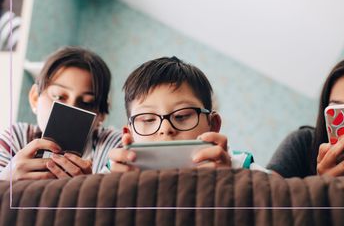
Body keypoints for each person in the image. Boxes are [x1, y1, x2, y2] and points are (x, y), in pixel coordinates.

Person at [108, 56, 265, 172]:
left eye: (182, 116)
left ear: (213, 125)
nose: (165, 128)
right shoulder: (114, 171)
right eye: (148, 119)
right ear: (129, 135)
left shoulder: (242, 167)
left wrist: (231, 183)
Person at [0, 47, 122, 180]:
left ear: (101, 115)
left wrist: (87, 189)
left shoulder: (114, 148)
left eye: (87, 103)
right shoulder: (17, 138)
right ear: (35, 98)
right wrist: (6, 180)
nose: (71, 109)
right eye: (58, 97)